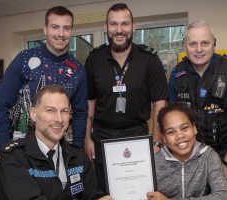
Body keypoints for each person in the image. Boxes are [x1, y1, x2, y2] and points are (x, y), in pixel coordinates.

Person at [84, 3, 168, 196]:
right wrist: (87, 138)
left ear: (133, 27)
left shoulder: (149, 59)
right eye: (113, 24)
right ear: (106, 27)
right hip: (102, 138)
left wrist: (156, 142)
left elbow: (160, 104)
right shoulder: (94, 59)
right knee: (105, 192)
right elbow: (89, 102)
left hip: (137, 135)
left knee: (138, 192)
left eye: (124, 24)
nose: (119, 30)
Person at [168, 20, 227, 199]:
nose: (199, 49)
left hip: (226, 155)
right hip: (191, 160)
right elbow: (172, 122)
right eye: (193, 44)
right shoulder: (176, 75)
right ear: (186, 46)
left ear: (214, 44)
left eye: (204, 43)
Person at [0, 6, 88, 151]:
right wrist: (5, 148)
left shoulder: (77, 69)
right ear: (45, 29)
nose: (61, 33)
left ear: (71, 31)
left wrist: (76, 149)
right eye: (55, 27)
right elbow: (1, 105)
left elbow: (80, 113)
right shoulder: (24, 59)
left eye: (66, 28)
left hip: (62, 149)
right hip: (22, 149)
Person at [0, 85, 96, 200]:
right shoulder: (13, 157)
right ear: (33, 114)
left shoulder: (79, 157)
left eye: (64, 111)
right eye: (50, 110)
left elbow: (95, 195)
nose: (59, 119)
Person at [147, 104, 227, 199]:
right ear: (164, 138)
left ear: (194, 128)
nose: (180, 136)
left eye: (184, 128)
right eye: (171, 132)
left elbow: (225, 196)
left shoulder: (208, 156)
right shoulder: (153, 162)